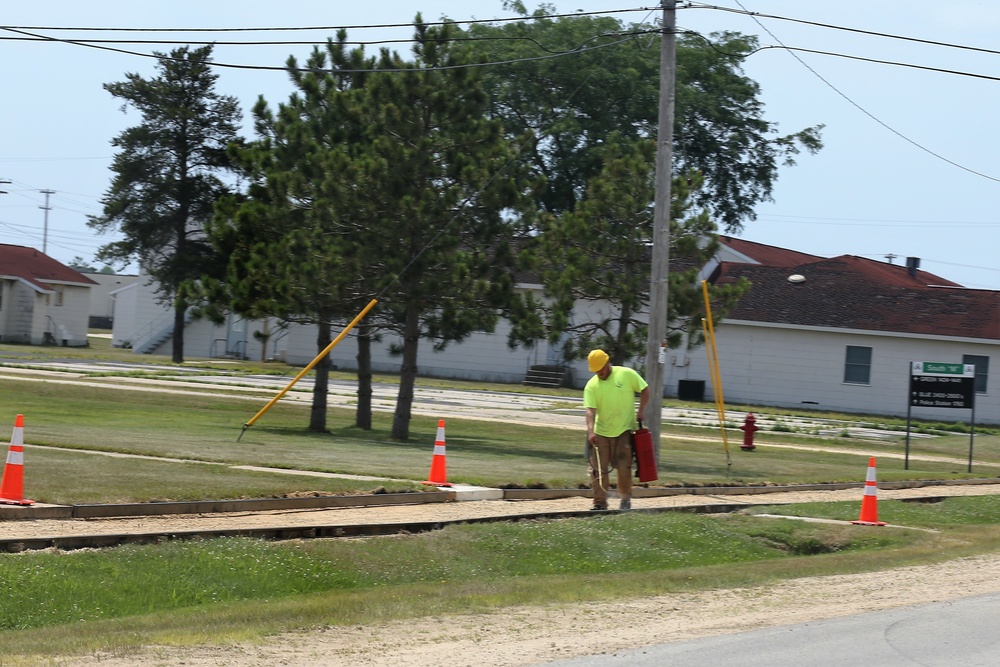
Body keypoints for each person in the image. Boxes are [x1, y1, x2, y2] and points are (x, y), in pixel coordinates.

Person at [583, 349, 650, 511]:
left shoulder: (626, 374)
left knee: (623, 466)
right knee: (598, 468)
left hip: (624, 430)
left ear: (608, 362)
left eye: (602, 368)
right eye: (596, 370)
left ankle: (625, 499)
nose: (600, 372)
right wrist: (591, 431)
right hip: (601, 432)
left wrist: (641, 411)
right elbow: (590, 411)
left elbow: (645, 389)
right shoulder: (592, 385)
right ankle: (599, 502)